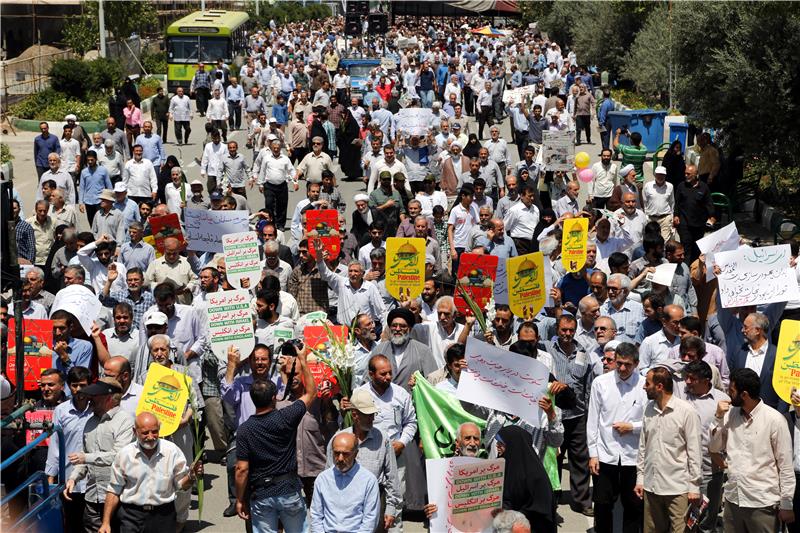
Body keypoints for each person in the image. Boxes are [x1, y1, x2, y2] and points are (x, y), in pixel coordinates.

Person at [234, 344, 317, 533]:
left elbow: (242, 469)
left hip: (261, 495)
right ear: (274, 398)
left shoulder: (245, 430)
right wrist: (303, 360)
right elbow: (311, 393)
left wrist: (239, 499)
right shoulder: (287, 417)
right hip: (289, 490)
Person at [710, 368, 796, 531]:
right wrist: (718, 418)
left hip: (762, 504)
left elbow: (785, 466)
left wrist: (786, 504)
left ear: (744, 395)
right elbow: (714, 447)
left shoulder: (775, 420)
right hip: (733, 499)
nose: (728, 394)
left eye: (732, 391)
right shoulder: (730, 414)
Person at [99, 412, 203, 533]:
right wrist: (106, 522)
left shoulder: (172, 451)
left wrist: (191, 477)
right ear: (135, 431)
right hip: (131, 517)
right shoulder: (124, 455)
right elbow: (113, 490)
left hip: (163, 516)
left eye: (154, 431)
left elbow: (181, 485)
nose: (150, 436)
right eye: (145, 433)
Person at [587, 342, 647, 533]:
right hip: (605, 455)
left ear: (636, 363)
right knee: (603, 505)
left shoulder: (645, 385)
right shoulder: (601, 383)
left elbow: (651, 421)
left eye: (627, 365)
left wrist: (632, 427)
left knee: (633, 506)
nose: (622, 368)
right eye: (619, 363)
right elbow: (593, 421)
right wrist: (593, 454)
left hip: (633, 456)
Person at [634, 366, 702, 532]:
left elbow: (695, 452)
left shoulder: (687, 412)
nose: (644, 387)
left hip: (677, 489)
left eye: (647, 384)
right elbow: (643, 446)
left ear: (659, 386)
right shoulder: (649, 409)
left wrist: (694, 486)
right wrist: (640, 479)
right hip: (651, 487)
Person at [63, 377, 135, 532]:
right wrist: (73, 478)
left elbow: (120, 455)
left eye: (94, 396)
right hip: (92, 496)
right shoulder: (90, 422)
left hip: (118, 497)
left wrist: (86, 458)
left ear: (109, 398)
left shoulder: (125, 421)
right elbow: (84, 455)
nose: (90, 399)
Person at [325, 388, 401, 530]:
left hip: (375, 502)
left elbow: (392, 477)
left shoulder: (382, 439)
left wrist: (391, 509)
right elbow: (328, 477)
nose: (372, 418)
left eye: (373, 414)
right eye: (368, 415)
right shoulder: (339, 440)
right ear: (355, 415)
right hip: (345, 503)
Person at [46, 366, 92, 533]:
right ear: (68, 386)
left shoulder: (97, 410)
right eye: (74, 385)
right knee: (71, 524)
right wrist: (50, 478)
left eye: (82, 385)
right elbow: (55, 444)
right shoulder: (61, 410)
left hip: (93, 481)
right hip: (68, 479)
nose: (78, 389)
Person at [311, 432, 380, 532]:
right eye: (336, 453)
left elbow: (370, 521)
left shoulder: (368, 481)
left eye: (346, 454)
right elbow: (316, 516)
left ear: (356, 453)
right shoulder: (323, 479)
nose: (340, 458)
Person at [496, 425, 556, 533]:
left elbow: (540, 511)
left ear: (513, 445)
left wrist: (510, 516)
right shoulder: (504, 464)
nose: (497, 446)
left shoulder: (536, 476)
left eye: (501, 443)